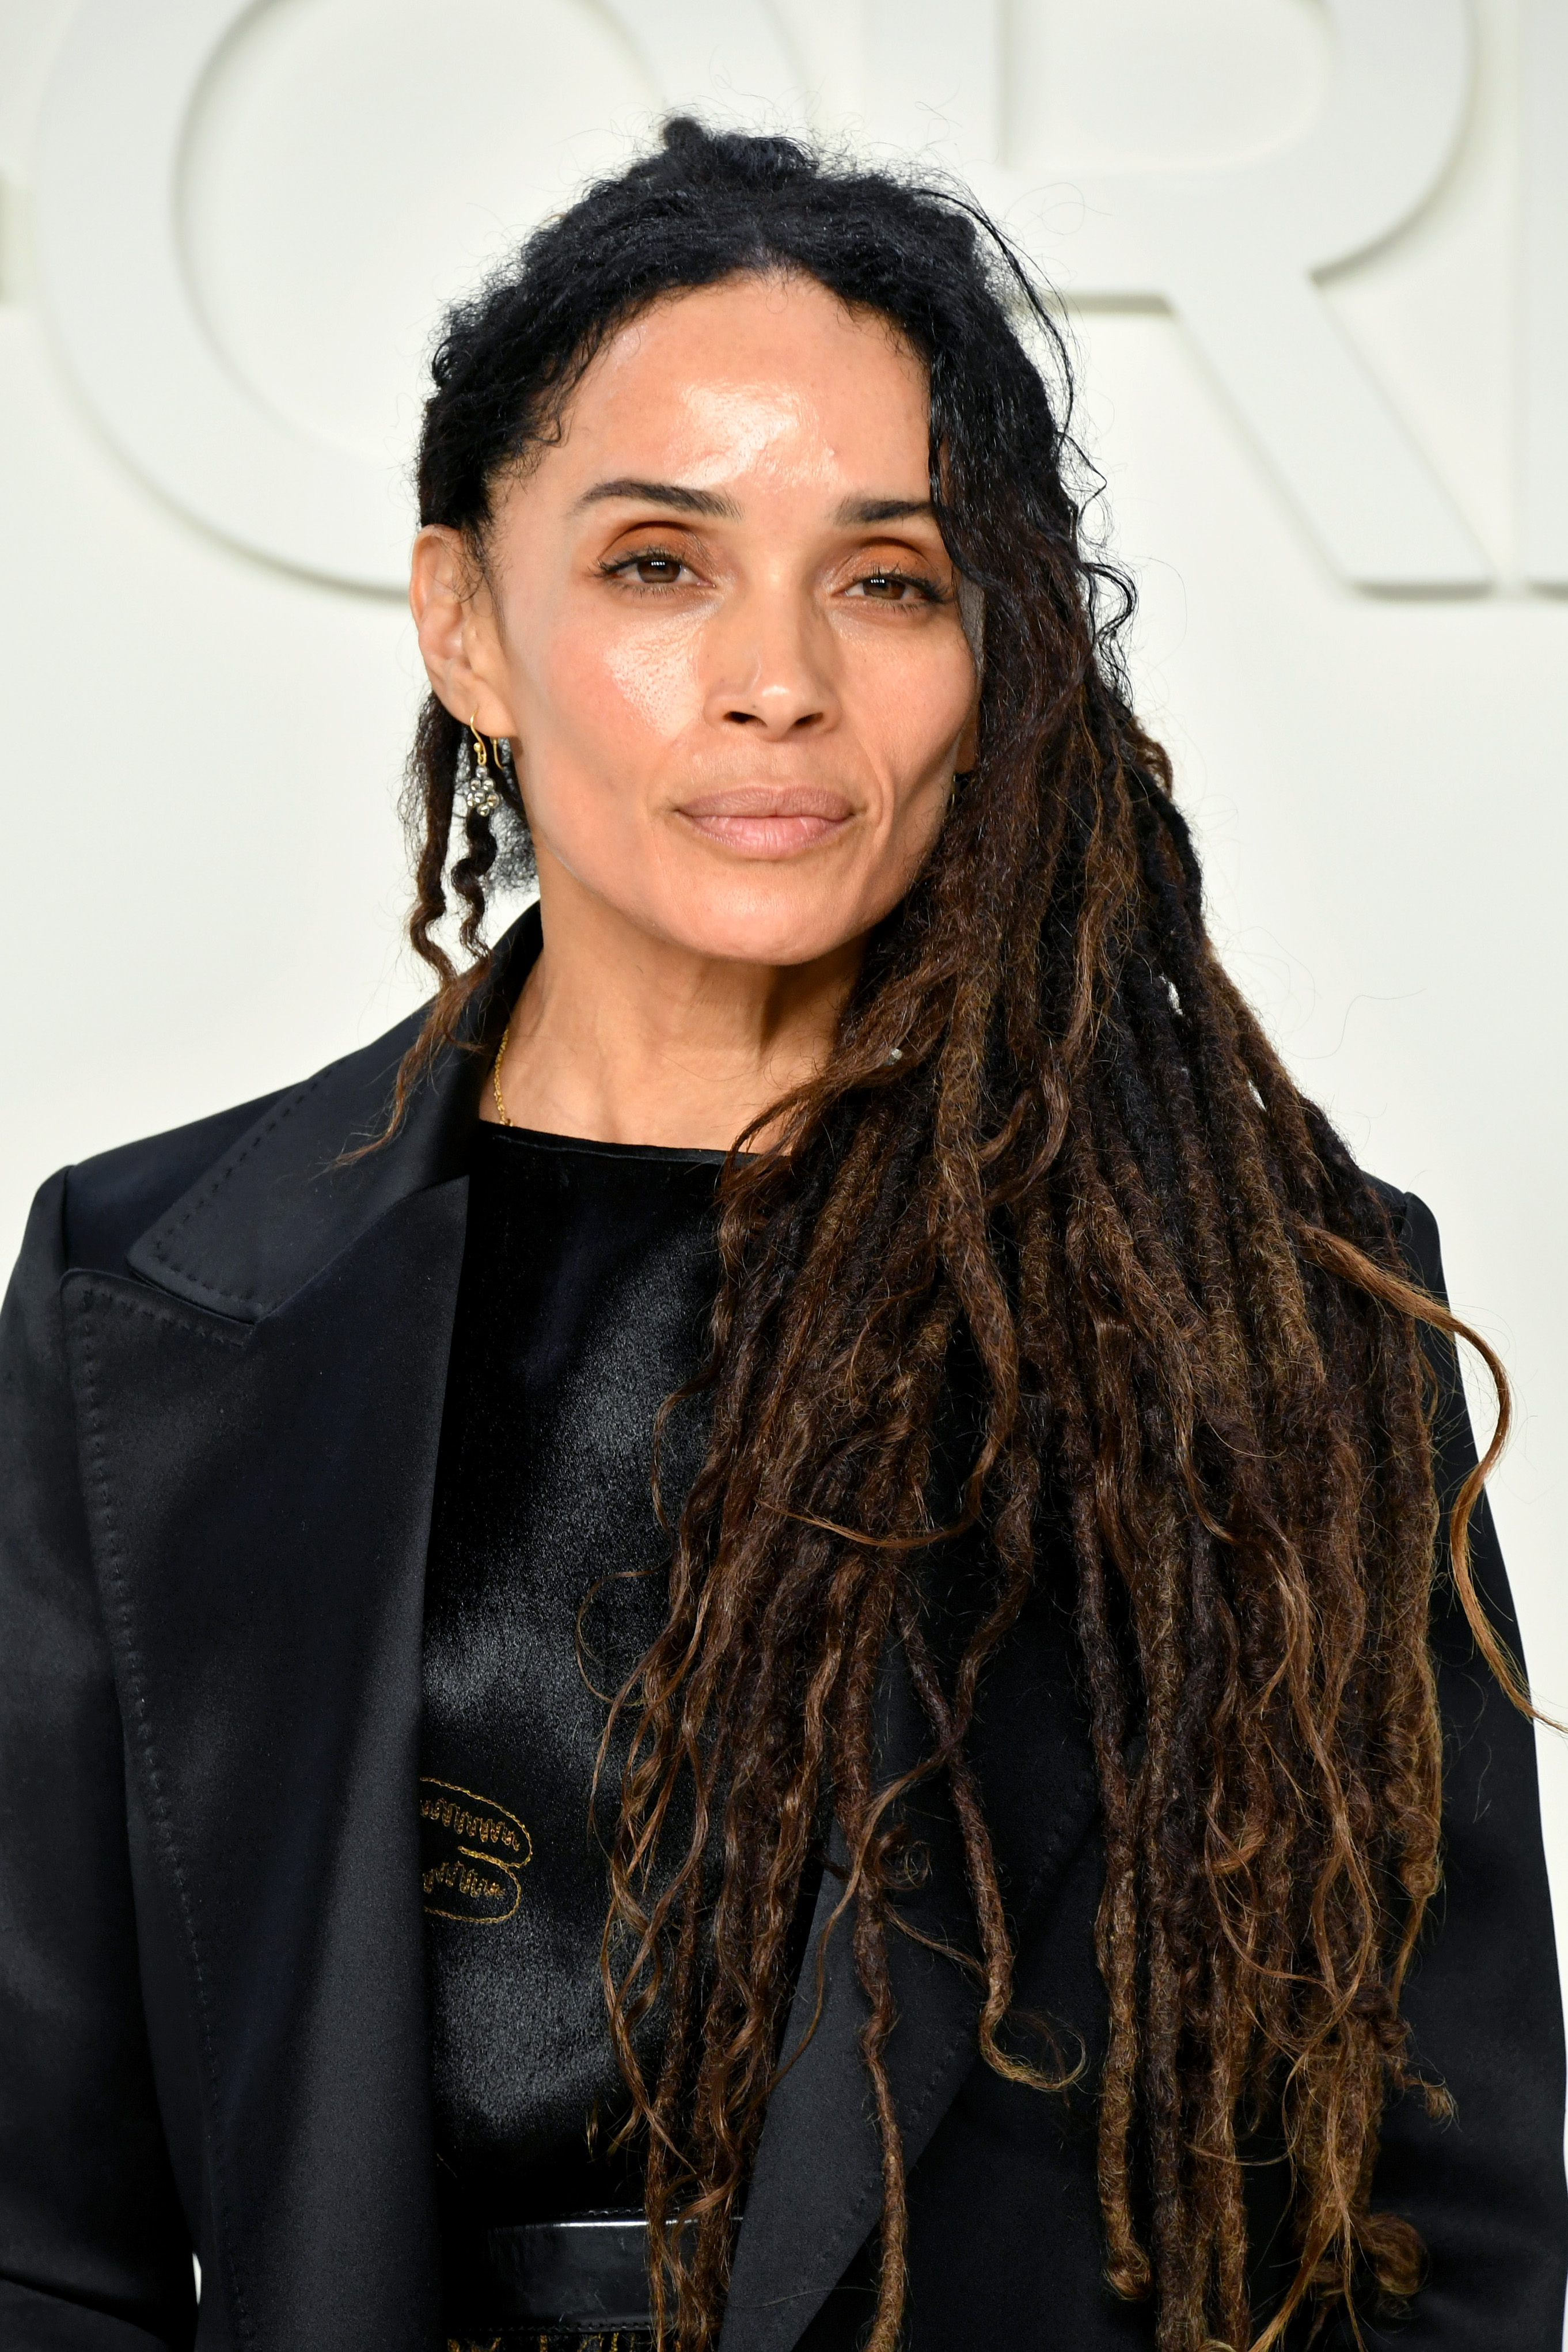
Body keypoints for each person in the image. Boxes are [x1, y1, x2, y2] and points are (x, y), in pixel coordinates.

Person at [0, 117, 1562, 2352]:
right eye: (659, 562)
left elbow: (1453, 2246)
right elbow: (40, 2231)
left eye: (891, 578)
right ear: (467, 623)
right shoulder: (137, 1300)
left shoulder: (1271, 1335)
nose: (782, 680)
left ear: (989, 651)